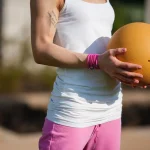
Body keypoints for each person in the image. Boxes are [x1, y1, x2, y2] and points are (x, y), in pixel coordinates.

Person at [30, 0, 146, 150]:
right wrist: (96, 61)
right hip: (73, 109)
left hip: (111, 107)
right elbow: (41, 50)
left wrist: (128, 71)